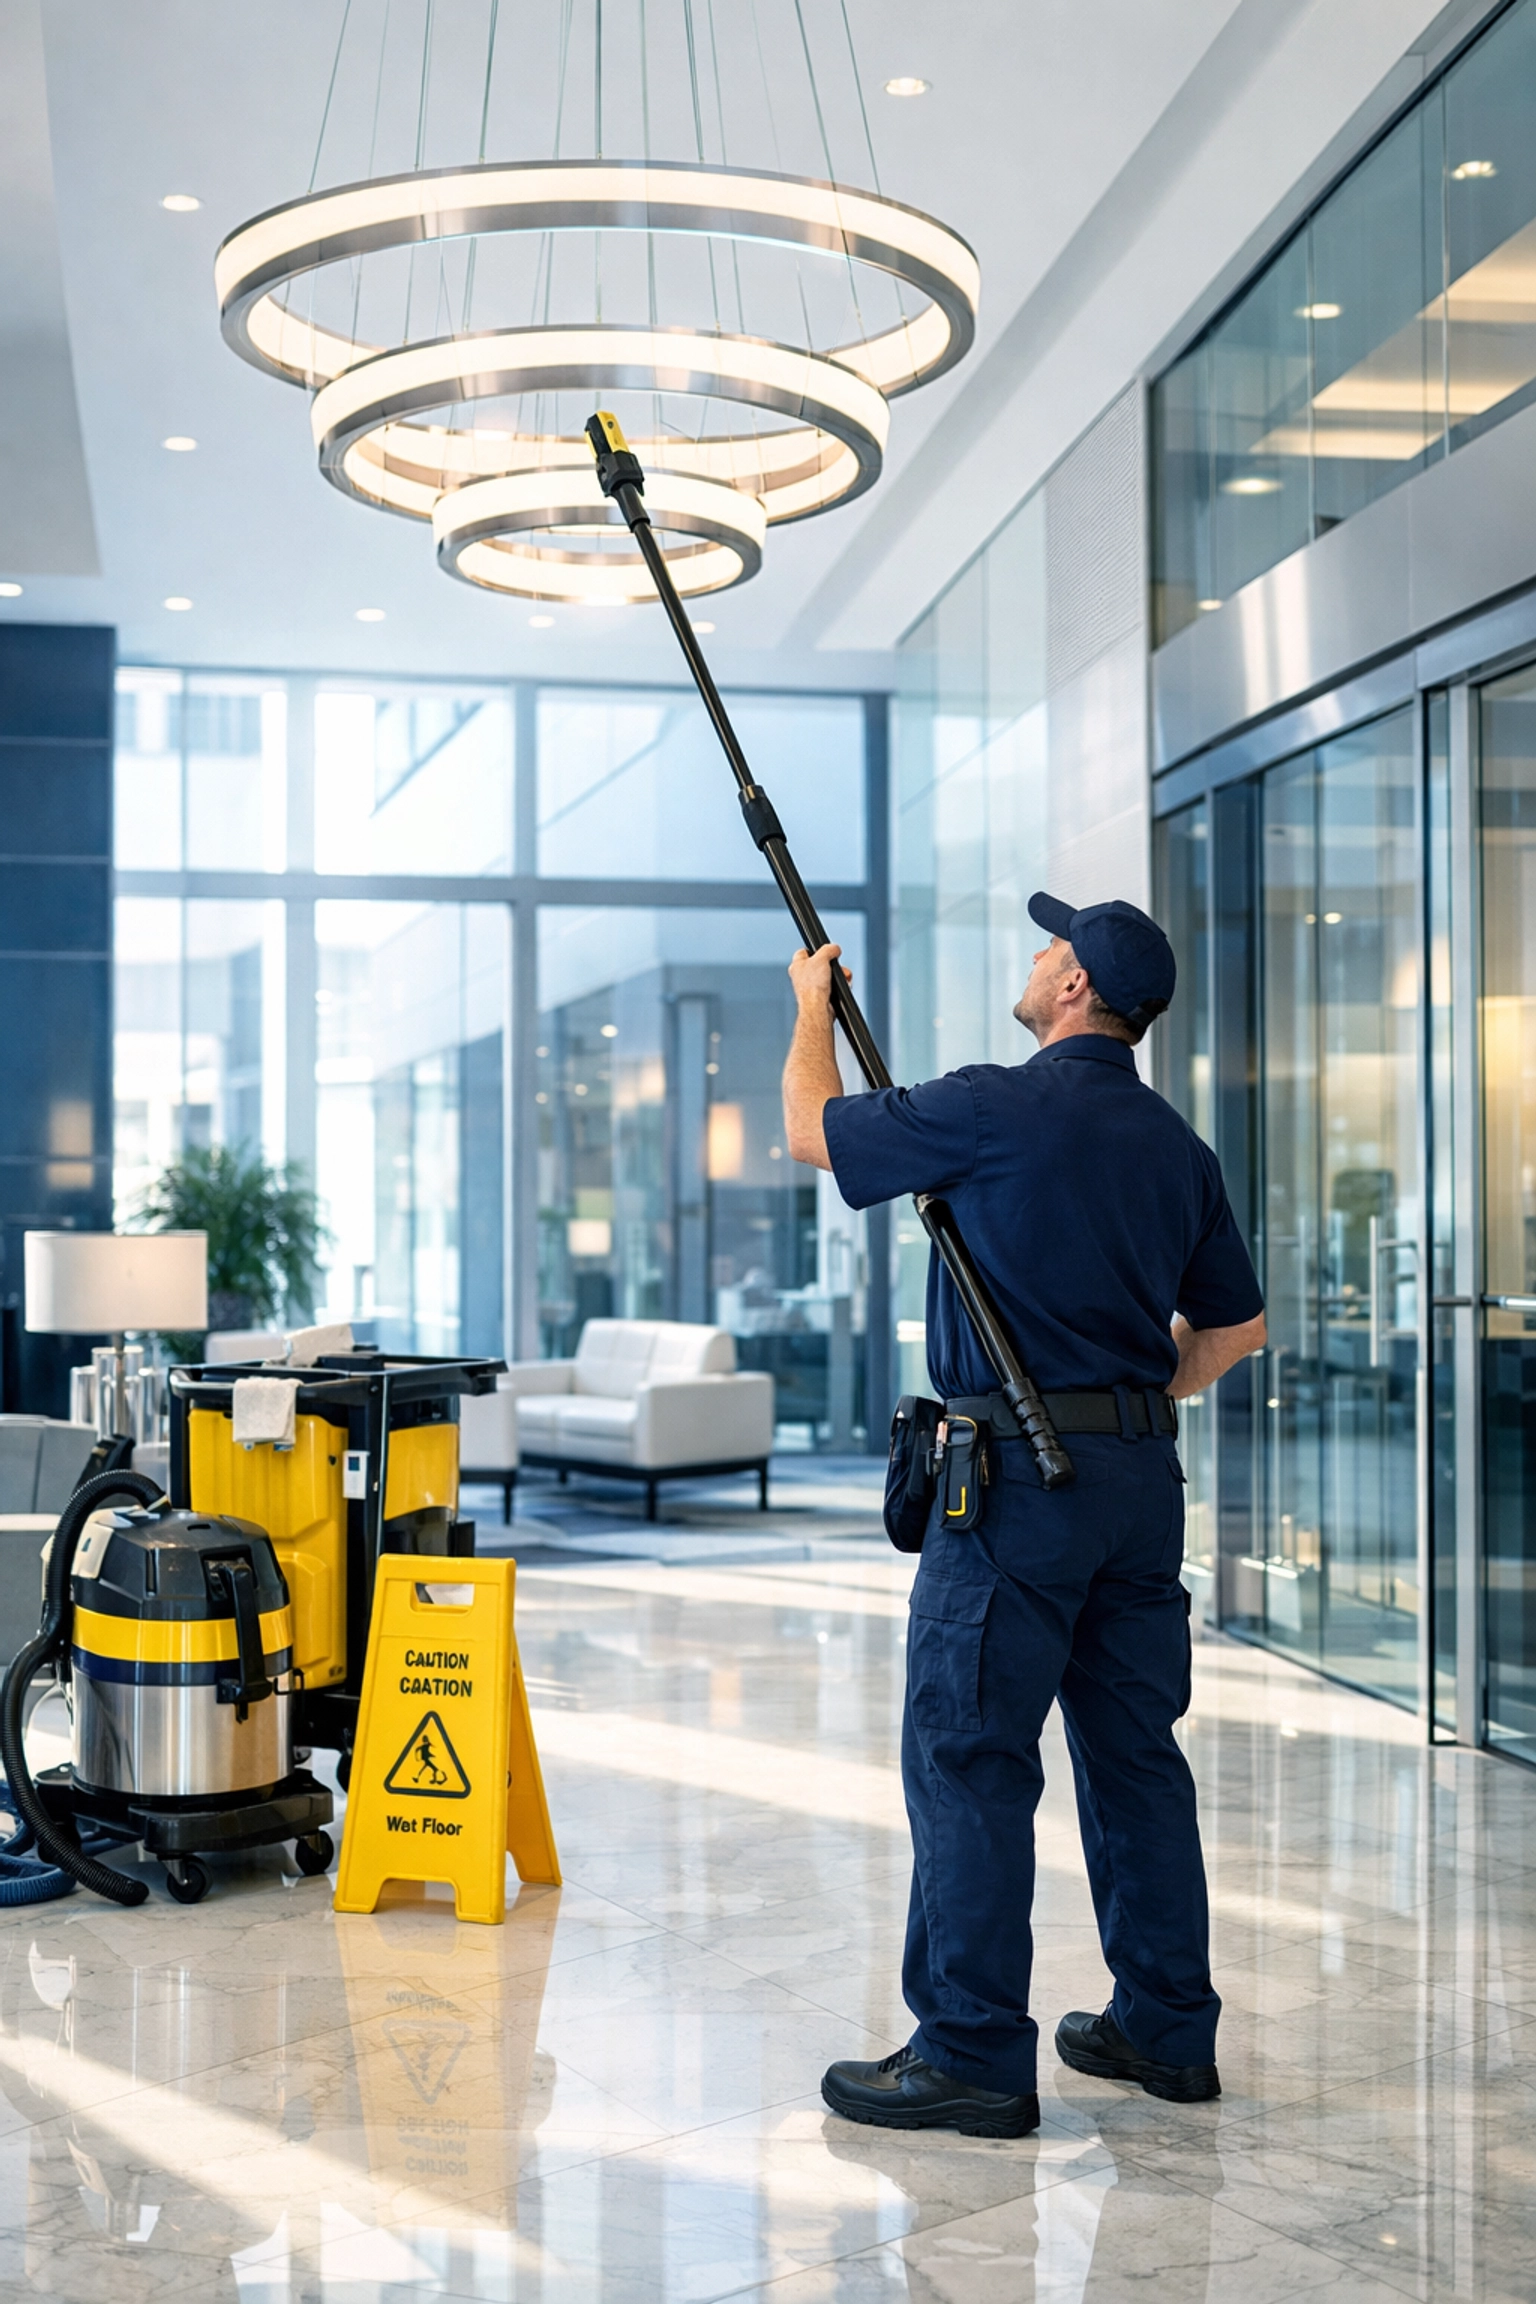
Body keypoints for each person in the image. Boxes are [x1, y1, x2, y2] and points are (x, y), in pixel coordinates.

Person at [781, 892, 1265, 2139]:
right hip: (1137, 1488)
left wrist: (809, 1012)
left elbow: (813, 1135)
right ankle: (1165, 2027)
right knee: (1136, 1758)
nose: (1039, 953)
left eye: (1054, 945)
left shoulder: (994, 1102)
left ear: (1073, 990)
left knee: (970, 1759)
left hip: (1009, 1490)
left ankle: (972, 2053)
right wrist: (1133, 1392)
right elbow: (1237, 1330)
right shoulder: (1179, 1149)